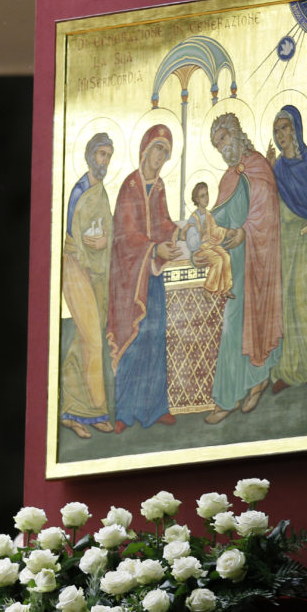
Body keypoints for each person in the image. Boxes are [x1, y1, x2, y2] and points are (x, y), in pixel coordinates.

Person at [205, 114, 283, 424]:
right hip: (234, 264)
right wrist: (205, 240)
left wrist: (245, 232)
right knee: (233, 327)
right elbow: (218, 220)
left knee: (243, 323)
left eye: (224, 138)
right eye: (217, 143)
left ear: (237, 135)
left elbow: (267, 215)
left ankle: (250, 385)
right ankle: (234, 393)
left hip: (258, 261)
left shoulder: (258, 167)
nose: (223, 147)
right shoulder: (228, 178)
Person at [106, 124, 180, 434]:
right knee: (133, 338)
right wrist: (153, 248)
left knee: (155, 335)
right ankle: (125, 411)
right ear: (145, 150)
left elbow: (161, 222)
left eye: (166, 151)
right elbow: (125, 235)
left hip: (152, 276)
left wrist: (179, 232)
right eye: (157, 149)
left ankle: (155, 408)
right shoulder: (130, 187)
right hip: (130, 279)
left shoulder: (159, 187)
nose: (160, 156)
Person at [60, 132, 115, 437]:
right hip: (77, 267)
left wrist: (105, 241)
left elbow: (107, 229)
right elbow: (72, 237)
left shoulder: (102, 192)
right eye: (100, 154)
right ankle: (96, 412)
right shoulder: (80, 191)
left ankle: (71, 410)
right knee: (92, 338)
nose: (104, 160)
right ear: (89, 155)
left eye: (108, 155)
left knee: (83, 338)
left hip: (97, 270)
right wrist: (88, 248)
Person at [267, 105, 307, 394]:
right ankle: (287, 371)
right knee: (285, 302)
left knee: (301, 300)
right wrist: (266, 170)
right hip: (283, 239)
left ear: (296, 129)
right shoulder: (277, 166)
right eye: (277, 130)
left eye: (285, 128)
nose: (281, 135)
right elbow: (271, 199)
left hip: (303, 238)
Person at [181, 181, 236, 300]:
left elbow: (215, 230)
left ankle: (226, 289)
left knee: (226, 257)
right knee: (217, 260)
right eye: (202, 196)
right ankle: (208, 289)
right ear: (196, 199)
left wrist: (226, 232)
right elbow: (191, 243)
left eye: (206, 194)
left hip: (210, 245)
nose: (206, 198)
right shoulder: (193, 219)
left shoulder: (208, 215)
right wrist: (201, 234)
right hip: (200, 249)